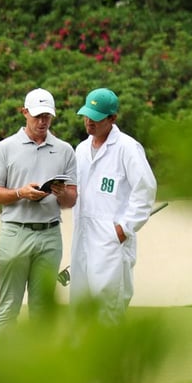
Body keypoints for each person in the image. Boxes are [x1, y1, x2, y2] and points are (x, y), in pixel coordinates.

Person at [0, 87, 78, 334]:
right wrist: (20, 193)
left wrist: (60, 192)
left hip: (50, 235)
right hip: (15, 233)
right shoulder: (4, 148)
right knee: (9, 307)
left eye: (47, 115)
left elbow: (71, 200)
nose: (42, 121)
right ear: (24, 112)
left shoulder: (65, 150)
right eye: (37, 115)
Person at [69, 87, 158, 324]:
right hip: (82, 237)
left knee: (108, 310)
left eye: (96, 118)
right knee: (80, 307)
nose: (89, 122)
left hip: (112, 242)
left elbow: (146, 189)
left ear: (112, 118)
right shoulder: (80, 150)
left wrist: (123, 228)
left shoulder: (128, 148)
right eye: (86, 116)